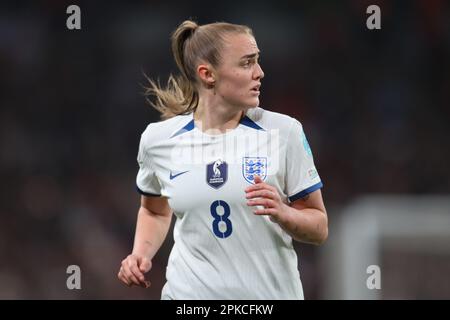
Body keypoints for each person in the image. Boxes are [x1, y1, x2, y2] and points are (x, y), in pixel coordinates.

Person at [117, 20, 328, 300]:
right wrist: (139, 254)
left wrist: (285, 212)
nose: (260, 73)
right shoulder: (158, 140)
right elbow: (155, 210)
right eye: (246, 63)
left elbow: (319, 227)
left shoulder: (284, 132)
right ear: (208, 74)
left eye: (258, 61)